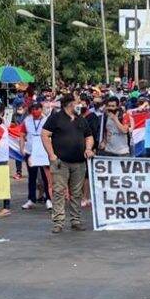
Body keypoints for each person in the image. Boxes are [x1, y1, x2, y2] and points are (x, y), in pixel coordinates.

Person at [40, 93, 94, 233]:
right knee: (58, 191)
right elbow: (44, 134)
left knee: (76, 193)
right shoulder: (56, 118)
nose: (80, 105)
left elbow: (89, 136)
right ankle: (58, 222)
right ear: (70, 104)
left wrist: (88, 148)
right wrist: (51, 154)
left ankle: (75, 220)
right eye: (77, 102)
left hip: (79, 163)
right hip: (60, 162)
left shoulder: (81, 119)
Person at [21, 102, 52, 211]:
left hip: (43, 151)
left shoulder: (47, 120)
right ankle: (31, 199)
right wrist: (22, 148)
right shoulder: (27, 120)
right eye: (33, 109)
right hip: (30, 151)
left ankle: (49, 199)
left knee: (46, 176)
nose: (35, 111)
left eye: (37, 109)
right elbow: (22, 135)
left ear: (41, 109)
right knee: (32, 176)